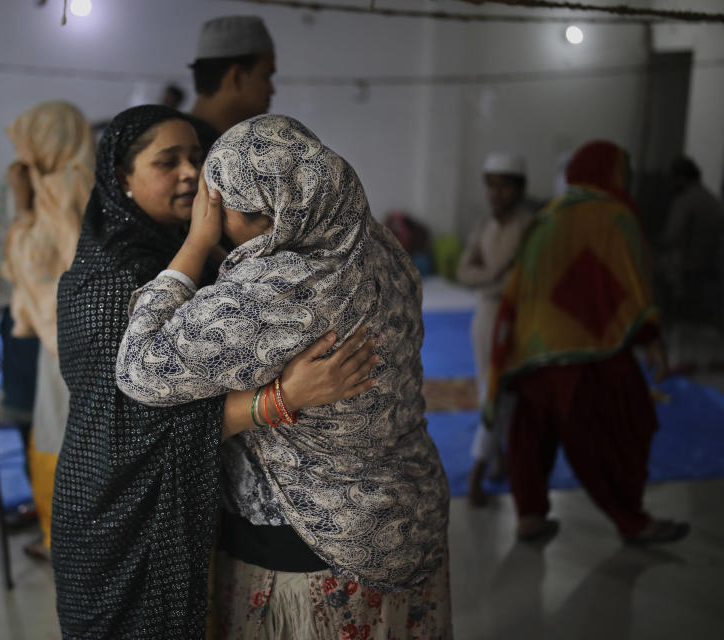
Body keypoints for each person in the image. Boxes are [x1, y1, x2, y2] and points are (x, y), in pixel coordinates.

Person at [117, 114, 452, 638]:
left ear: (249, 211)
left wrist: (197, 244)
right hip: (411, 512)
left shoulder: (277, 291)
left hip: (315, 549)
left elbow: (139, 368)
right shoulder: (378, 244)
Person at [51, 105, 376, 638]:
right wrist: (280, 399)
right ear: (121, 179)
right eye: (166, 161)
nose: (188, 173)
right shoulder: (111, 278)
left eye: (196, 158)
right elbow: (132, 427)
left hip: (179, 509)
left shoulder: (209, 258)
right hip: (116, 517)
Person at [485, 140, 690, 545]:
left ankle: (529, 516)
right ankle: (633, 521)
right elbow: (633, 286)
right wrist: (651, 340)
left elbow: (520, 286)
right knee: (613, 434)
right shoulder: (616, 216)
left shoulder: (547, 216)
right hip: (589, 349)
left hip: (532, 348)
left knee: (531, 435)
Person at [2, 101, 96, 561]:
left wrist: (21, 206)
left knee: (63, 436)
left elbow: (43, 261)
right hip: (56, 335)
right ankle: (64, 535)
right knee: (55, 432)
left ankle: (68, 539)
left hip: (69, 338)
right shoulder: (61, 184)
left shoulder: (67, 187)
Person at [457, 152, 535, 506]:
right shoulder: (484, 227)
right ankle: (493, 458)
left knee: (508, 391)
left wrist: (496, 280)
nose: (496, 194)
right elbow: (464, 271)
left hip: (520, 317)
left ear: (519, 190)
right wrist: (495, 277)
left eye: (504, 186)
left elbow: (530, 279)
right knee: (489, 387)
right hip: (488, 316)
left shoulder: (531, 227)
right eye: (491, 186)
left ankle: (487, 463)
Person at [0, 178, 40, 478]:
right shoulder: (6, 189)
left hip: (64, 318)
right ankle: (43, 502)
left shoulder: (77, 181)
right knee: (28, 414)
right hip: (22, 322)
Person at [187, 15, 276, 151]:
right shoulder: (193, 152)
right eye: (265, 76)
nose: (272, 90)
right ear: (236, 77)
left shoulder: (183, 139)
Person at [657, 155, 724, 323]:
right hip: (708, 271)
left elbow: (671, 237)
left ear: (680, 178)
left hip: (683, 272)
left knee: (678, 322)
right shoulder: (712, 200)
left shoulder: (685, 201)